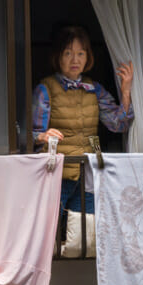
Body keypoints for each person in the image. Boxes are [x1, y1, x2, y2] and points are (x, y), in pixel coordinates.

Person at [32, 25, 133, 218]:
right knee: (50, 229)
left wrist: (126, 92)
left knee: (85, 234)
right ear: (58, 57)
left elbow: (118, 124)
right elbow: (30, 135)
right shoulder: (45, 89)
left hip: (88, 173)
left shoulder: (93, 88)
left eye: (80, 53)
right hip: (57, 174)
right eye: (68, 53)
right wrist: (42, 136)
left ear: (88, 57)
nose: (75, 59)